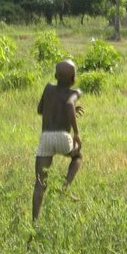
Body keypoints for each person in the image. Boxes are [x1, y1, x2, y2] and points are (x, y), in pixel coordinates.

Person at [32, 59, 84, 221]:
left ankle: (35, 223)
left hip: (46, 138)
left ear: (55, 75)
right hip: (63, 137)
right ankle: (65, 187)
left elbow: (40, 110)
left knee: (40, 184)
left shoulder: (48, 88)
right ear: (74, 78)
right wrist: (76, 133)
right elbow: (68, 104)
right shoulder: (75, 92)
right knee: (77, 157)